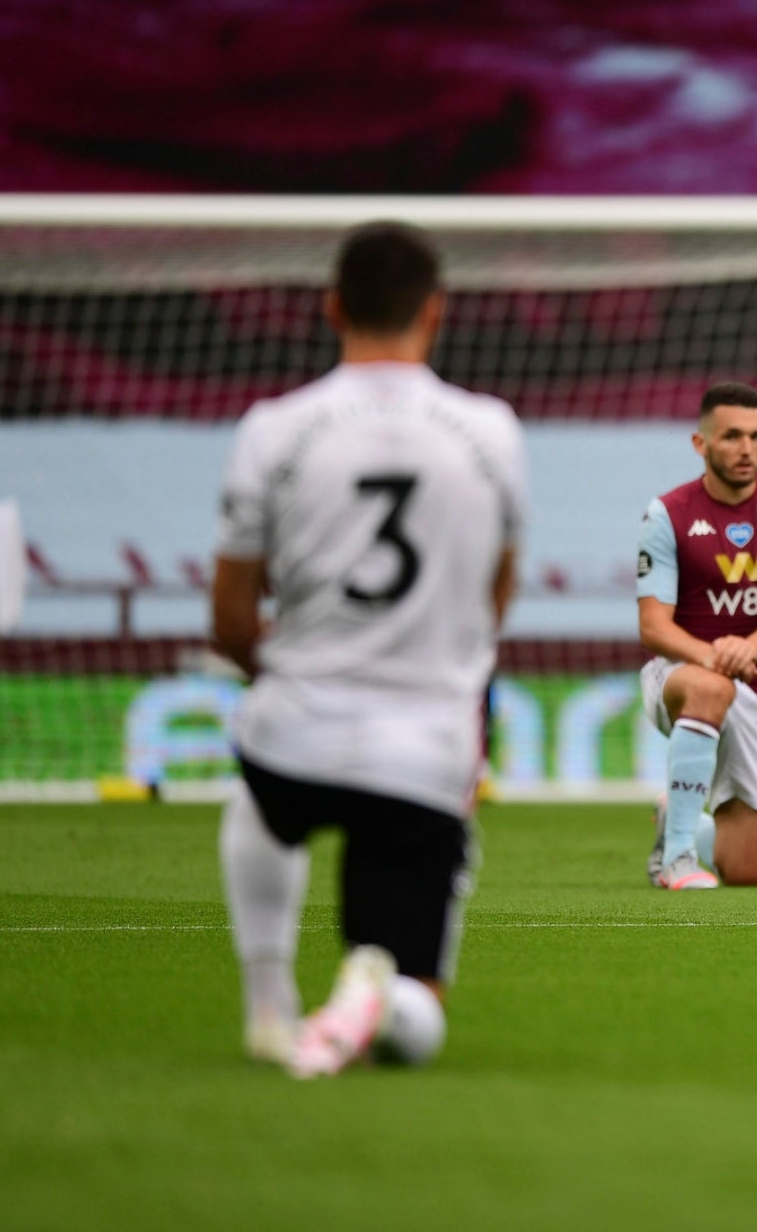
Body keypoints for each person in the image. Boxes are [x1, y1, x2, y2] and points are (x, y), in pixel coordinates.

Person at [212, 222, 527, 1077]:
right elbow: (495, 594)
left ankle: (270, 998)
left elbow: (232, 620)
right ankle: (377, 984)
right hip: (424, 752)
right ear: (435, 313)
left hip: (295, 732)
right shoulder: (491, 431)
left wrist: (295, 663)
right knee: (419, 1021)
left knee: (258, 798)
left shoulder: (275, 428)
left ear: (333, 307)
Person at [638, 381, 757, 891]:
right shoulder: (667, 515)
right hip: (680, 673)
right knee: (709, 687)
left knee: (749, 871)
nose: (746, 449)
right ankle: (677, 857)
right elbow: (654, 626)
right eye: (731, 437)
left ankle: (678, 824)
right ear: (701, 444)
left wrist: (751, 648)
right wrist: (716, 656)